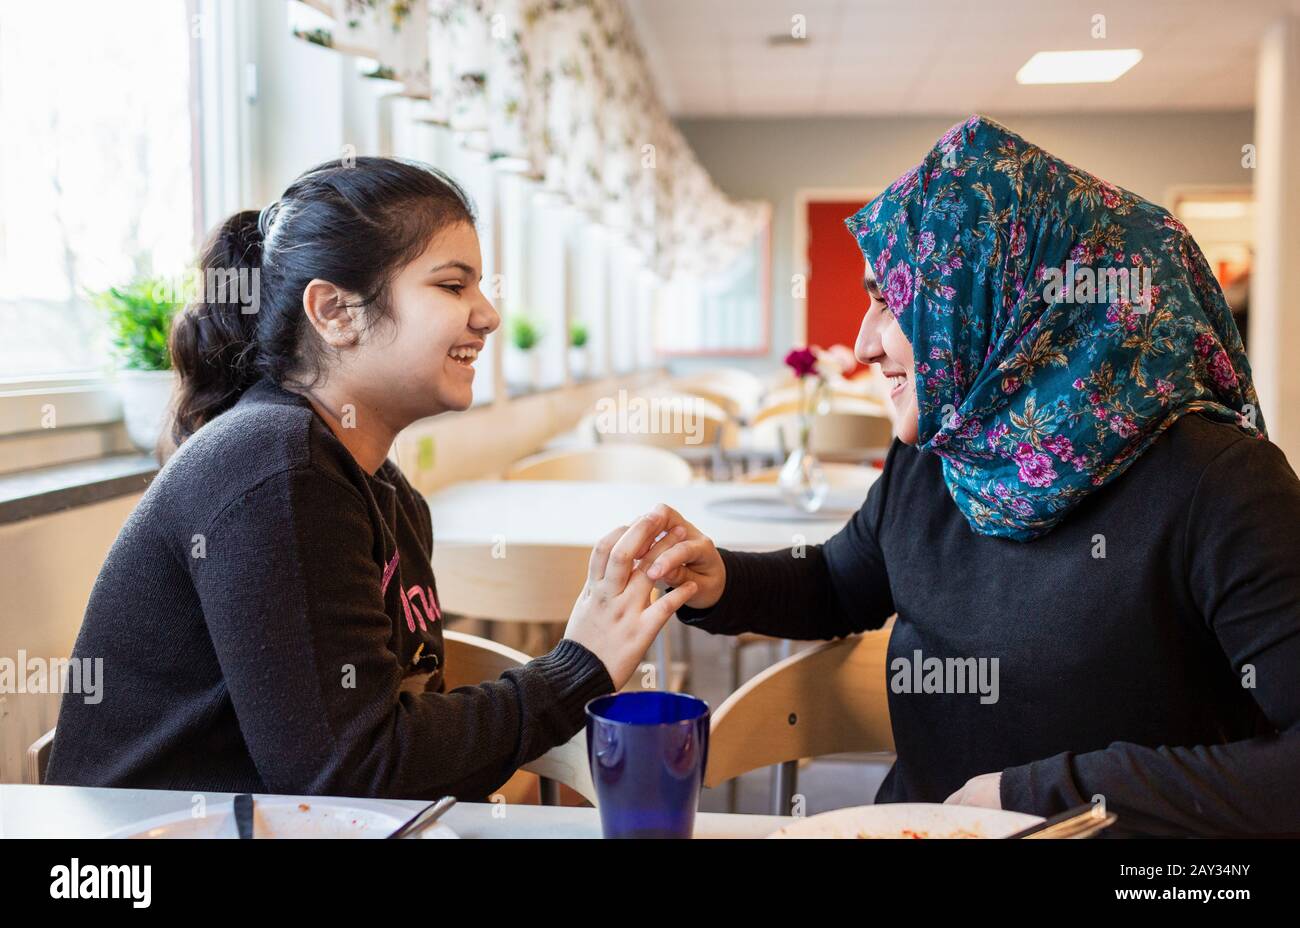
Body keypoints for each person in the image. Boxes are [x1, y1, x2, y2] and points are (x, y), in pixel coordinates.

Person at [636, 116, 1300, 837]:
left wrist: (1050, 795)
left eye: (891, 301)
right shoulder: (943, 452)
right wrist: (719, 580)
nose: (862, 345)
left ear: (1000, 299)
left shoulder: (1224, 485)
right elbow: (839, 582)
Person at [46, 157, 697, 799]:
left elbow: (391, 750)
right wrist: (575, 670)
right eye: (451, 285)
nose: (488, 314)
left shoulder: (382, 491)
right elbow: (356, 776)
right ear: (334, 311)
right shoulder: (276, 468)